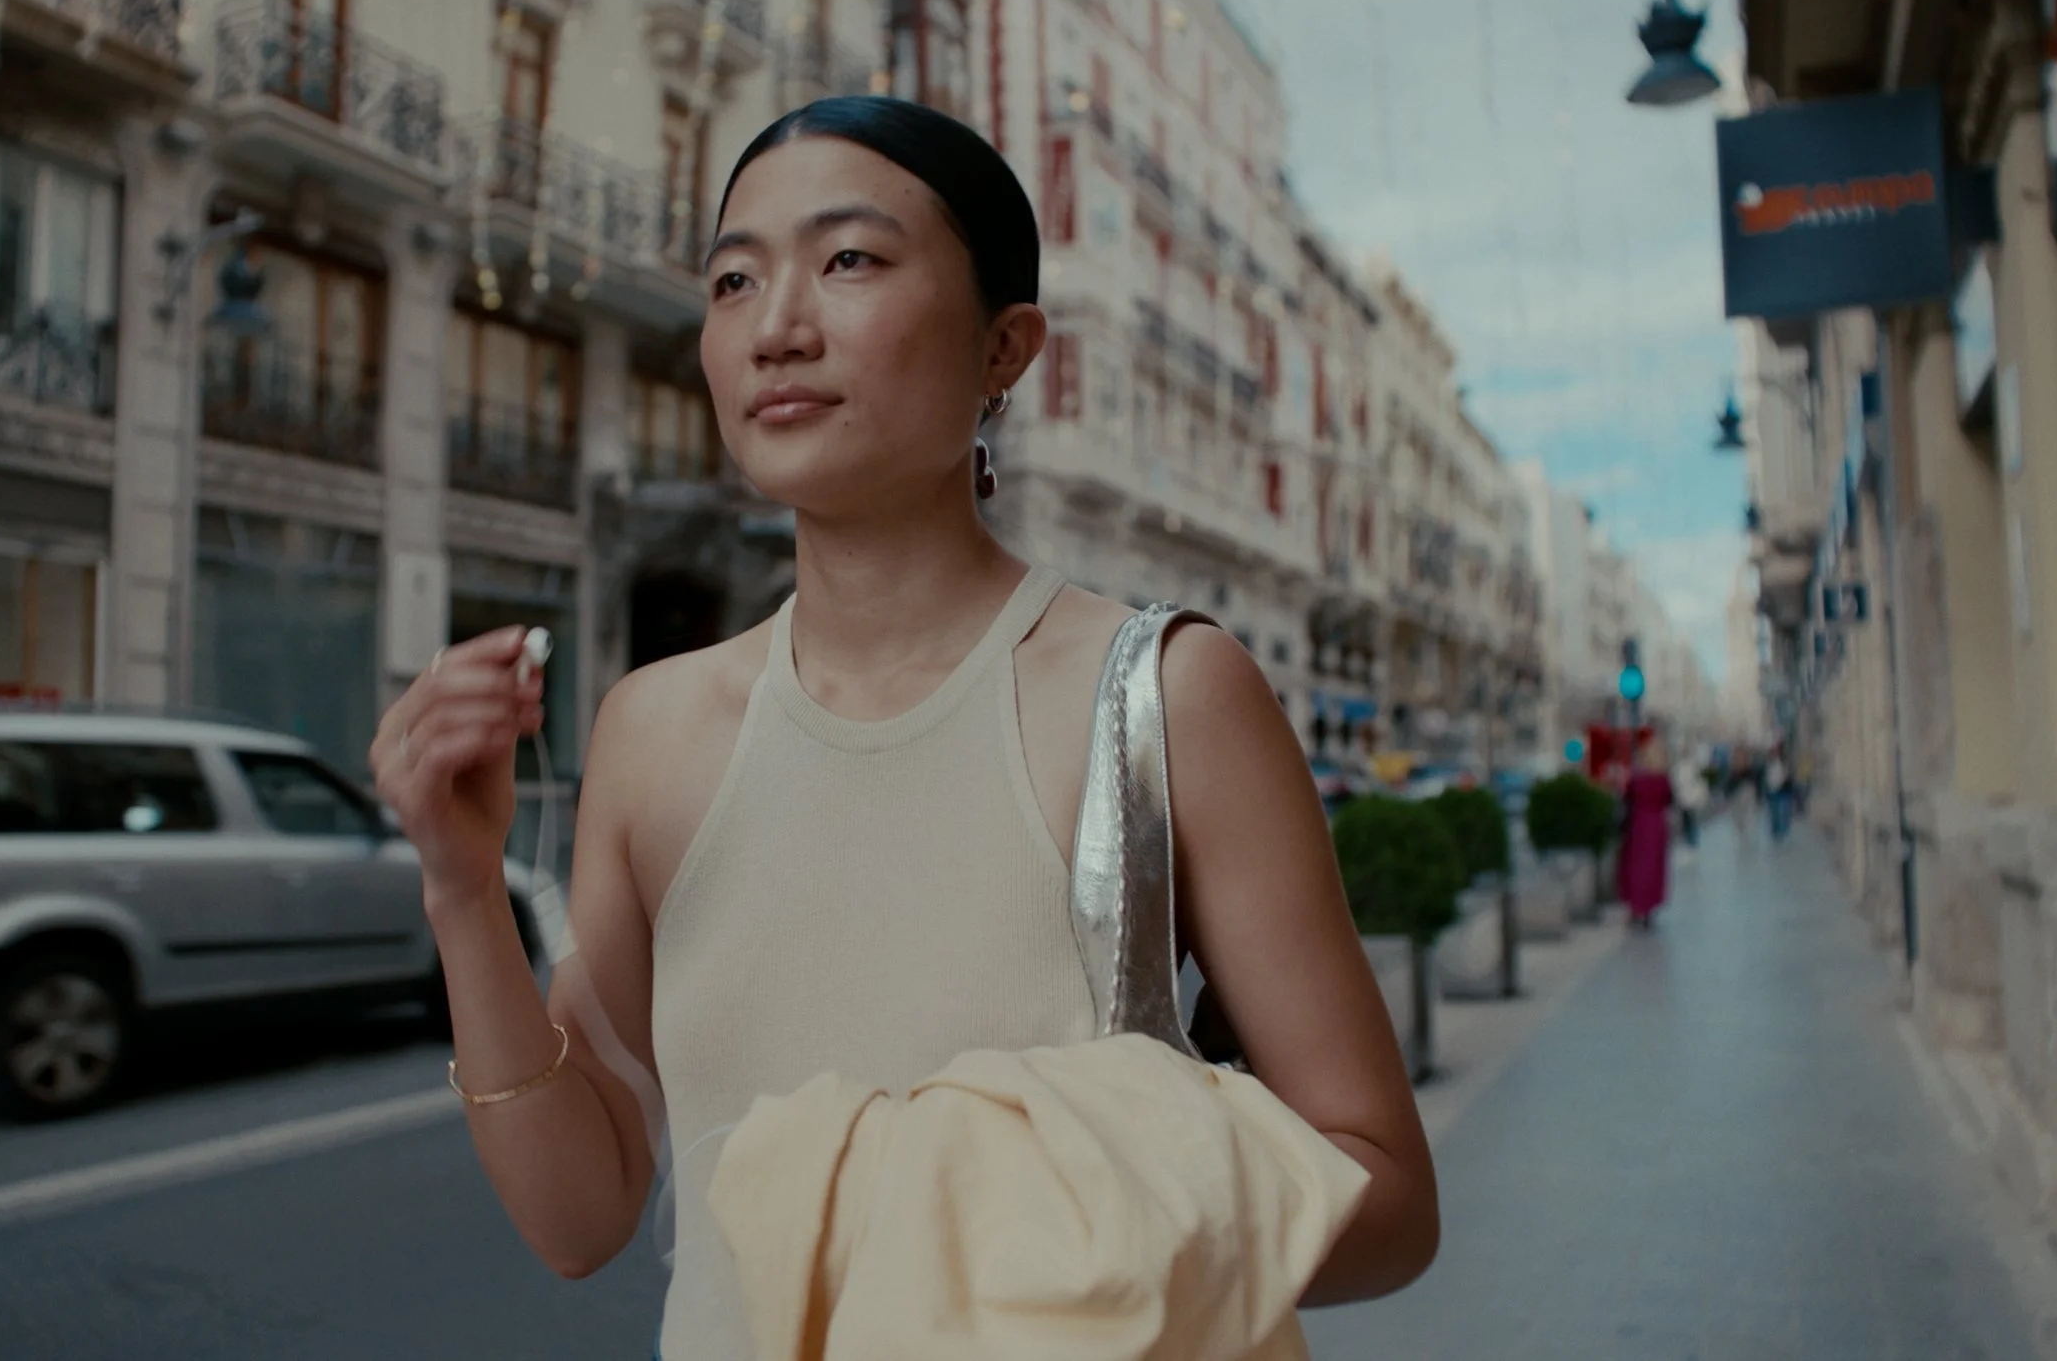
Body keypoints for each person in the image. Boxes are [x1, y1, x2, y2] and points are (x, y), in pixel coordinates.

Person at [371, 97, 1437, 1359]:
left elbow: (1388, 1200)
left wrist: (989, 1190)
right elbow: (578, 1213)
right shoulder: (653, 727)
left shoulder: (1167, 692)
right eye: (732, 279)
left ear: (1005, 346)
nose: (776, 327)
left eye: (850, 261)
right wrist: (459, 883)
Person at [1615, 739, 1676, 930]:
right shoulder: (1664, 779)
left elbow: (1626, 799)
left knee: (1635, 867)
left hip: (1638, 826)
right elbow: (1669, 800)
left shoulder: (1637, 779)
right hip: (1657, 826)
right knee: (1653, 869)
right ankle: (1648, 910)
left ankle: (1635, 908)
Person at [1671, 746, 1708, 848]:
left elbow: (1699, 783)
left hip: (1690, 800)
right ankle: (1690, 842)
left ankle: (1692, 842)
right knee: (1688, 822)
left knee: (1691, 822)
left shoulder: (1691, 766)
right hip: (1685, 800)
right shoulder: (1680, 767)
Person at [1764, 747, 1795, 842]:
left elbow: (1785, 776)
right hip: (1772, 791)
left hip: (1782, 790)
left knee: (1783, 811)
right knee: (1774, 812)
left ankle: (1782, 830)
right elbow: (1768, 778)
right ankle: (1776, 831)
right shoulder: (1769, 765)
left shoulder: (1782, 764)